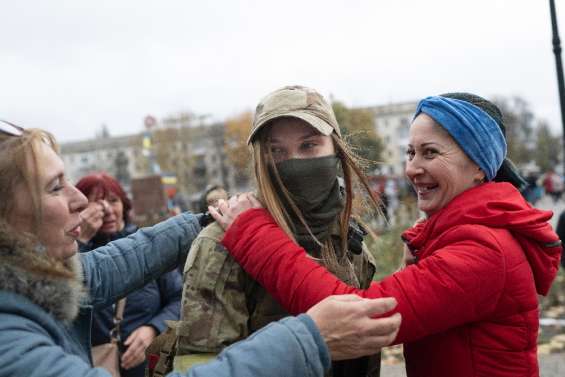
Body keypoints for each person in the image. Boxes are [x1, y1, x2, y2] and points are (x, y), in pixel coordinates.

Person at [0, 120, 401, 377]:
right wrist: (307, 339)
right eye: (55, 187)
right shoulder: (11, 341)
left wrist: (206, 220)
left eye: (309, 145)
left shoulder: (27, 277)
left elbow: (109, 266)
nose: (77, 199)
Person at [211, 93, 563, 377]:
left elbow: (360, 319)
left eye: (430, 153)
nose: (412, 168)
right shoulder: (467, 234)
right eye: (410, 152)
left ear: (478, 168)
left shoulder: (484, 249)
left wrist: (252, 233)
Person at [175, 85, 385, 376]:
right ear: (261, 159)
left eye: (309, 145)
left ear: (335, 148)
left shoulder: (347, 239)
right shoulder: (222, 244)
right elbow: (202, 364)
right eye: (276, 151)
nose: (294, 162)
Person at [76, 173, 183, 377]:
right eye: (95, 203)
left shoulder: (147, 246)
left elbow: (179, 298)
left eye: (113, 200)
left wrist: (153, 329)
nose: (107, 210)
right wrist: (80, 240)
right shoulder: (69, 253)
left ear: (124, 204)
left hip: (153, 368)